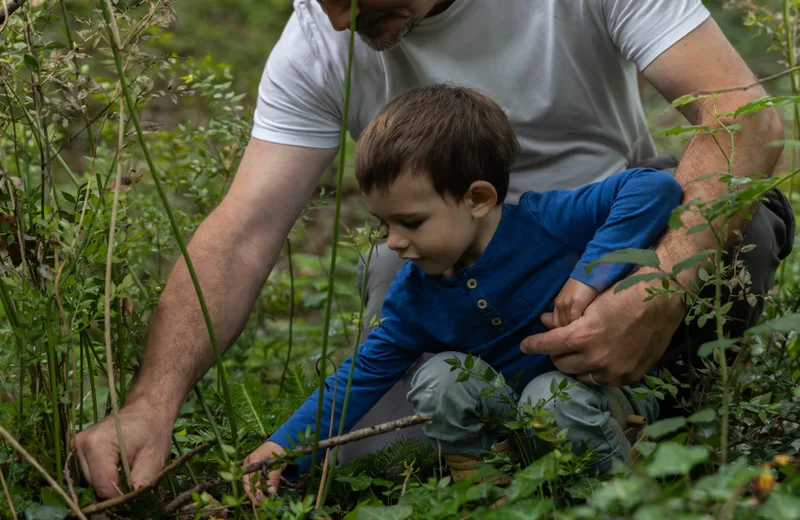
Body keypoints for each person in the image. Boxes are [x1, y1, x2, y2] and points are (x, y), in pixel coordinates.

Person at [74, 0, 793, 499]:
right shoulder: (321, 37)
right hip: (452, 297)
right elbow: (241, 233)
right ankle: (495, 458)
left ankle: (669, 427)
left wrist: (653, 287)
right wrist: (151, 403)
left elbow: (747, 120)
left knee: (740, 225)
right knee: (347, 460)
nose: (338, 19)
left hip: (592, 255)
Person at [241, 83, 683, 501]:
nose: (393, 242)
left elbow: (651, 186)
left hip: (591, 398)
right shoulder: (415, 295)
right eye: (384, 224)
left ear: (477, 199)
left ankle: (616, 497)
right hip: (507, 416)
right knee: (439, 377)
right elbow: (358, 376)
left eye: (411, 222)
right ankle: (487, 491)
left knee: (549, 396)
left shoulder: (544, 222)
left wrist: (590, 275)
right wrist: (287, 447)